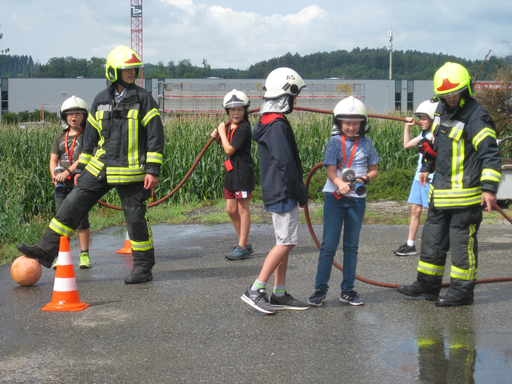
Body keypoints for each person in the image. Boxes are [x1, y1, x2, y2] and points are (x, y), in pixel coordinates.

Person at [17, 45, 165, 284]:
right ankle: (46, 249)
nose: (133, 73)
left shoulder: (144, 99)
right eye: (127, 69)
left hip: (130, 170)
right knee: (72, 203)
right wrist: (82, 169)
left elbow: (155, 136)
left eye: (134, 70)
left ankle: (142, 267)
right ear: (113, 72)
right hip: (101, 166)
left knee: (135, 218)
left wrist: (152, 170)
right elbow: (90, 140)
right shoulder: (101, 100)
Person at [397, 62, 502, 307]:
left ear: (466, 89)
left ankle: (461, 292)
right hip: (440, 195)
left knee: (461, 248)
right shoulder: (442, 112)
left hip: (465, 199)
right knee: (432, 243)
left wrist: (488, 189)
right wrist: (426, 167)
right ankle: (428, 286)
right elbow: (438, 148)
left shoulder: (477, 116)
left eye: (454, 93)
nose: (450, 98)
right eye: (446, 95)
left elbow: (490, 154)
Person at [241, 67, 309, 314]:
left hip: (278, 190)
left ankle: (279, 293)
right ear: (286, 96)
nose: (295, 101)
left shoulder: (268, 122)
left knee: (284, 240)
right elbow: (286, 164)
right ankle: (256, 289)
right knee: (287, 241)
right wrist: (300, 192)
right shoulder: (277, 125)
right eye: (293, 96)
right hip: (283, 191)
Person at [308, 96, 379, 307]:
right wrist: (339, 183)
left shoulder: (366, 143)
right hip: (335, 198)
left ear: (362, 124)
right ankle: (320, 289)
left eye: (355, 122)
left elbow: (374, 170)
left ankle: (347, 290)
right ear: (338, 123)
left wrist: (364, 179)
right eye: (346, 122)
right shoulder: (334, 142)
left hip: (357, 200)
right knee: (328, 245)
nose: (350, 126)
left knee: (351, 246)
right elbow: (330, 169)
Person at [211, 89, 255, 260]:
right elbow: (223, 142)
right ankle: (245, 243)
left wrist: (221, 132)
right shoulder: (230, 126)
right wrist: (217, 137)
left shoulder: (244, 127)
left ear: (245, 110)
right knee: (231, 209)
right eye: (232, 110)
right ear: (227, 111)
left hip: (242, 172)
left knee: (243, 209)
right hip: (231, 172)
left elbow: (229, 148)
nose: (236, 113)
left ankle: (242, 246)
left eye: (239, 109)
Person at [50, 96, 92, 269]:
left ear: (84, 116)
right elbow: (53, 159)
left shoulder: (87, 136)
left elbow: (83, 158)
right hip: (62, 186)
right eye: (70, 114)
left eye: (77, 113)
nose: (73, 117)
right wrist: (55, 176)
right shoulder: (59, 136)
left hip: (80, 184)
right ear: (64, 117)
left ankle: (84, 255)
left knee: (82, 220)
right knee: (62, 220)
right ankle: (62, 256)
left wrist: (67, 172)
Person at [394, 100, 438, 256]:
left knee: (435, 212)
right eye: (420, 118)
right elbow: (406, 145)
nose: (421, 121)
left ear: (433, 119)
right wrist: (407, 126)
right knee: (415, 209)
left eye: (424, 118)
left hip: (431, 177)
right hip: (418, 176)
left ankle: (437, 244)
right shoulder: (423, 134)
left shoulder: (437, 135)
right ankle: (410, 244)